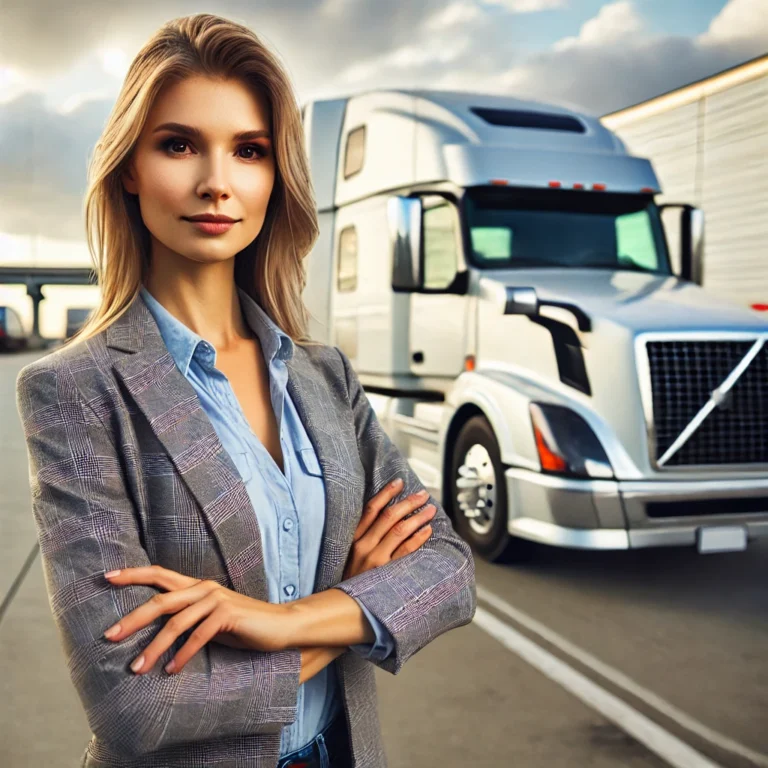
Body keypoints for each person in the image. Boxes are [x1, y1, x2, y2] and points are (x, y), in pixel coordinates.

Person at [14, 12, 476, 768]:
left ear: (275, 175)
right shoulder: (72, 392)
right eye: (178, 144)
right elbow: (137, 703)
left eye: (249, 151)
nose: (215, 183)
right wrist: (348, 612)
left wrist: (284, 623)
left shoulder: (325, 376)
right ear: (131, 167)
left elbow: (450, 568)